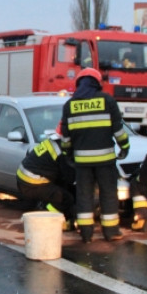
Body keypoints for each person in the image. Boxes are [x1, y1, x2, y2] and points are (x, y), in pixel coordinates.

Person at [61, 67, 129, 242]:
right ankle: (111, 232)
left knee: (84, 195)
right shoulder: (107, 100)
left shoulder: (70, 105)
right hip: (105, 161)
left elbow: (66, 136)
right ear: (97, 83)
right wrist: (125, 147)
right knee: (108, 194)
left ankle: (86, 233)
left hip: (82, 163)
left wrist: (68, 154)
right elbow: (118, 130)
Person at [15, 130, 76, 230]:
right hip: (32, 182)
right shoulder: (62, 150)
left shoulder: (54, 142)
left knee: (61, 190)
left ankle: (44, 208)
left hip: (25, 179)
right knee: (66, 198)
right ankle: (47, 217)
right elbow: (69, 177)